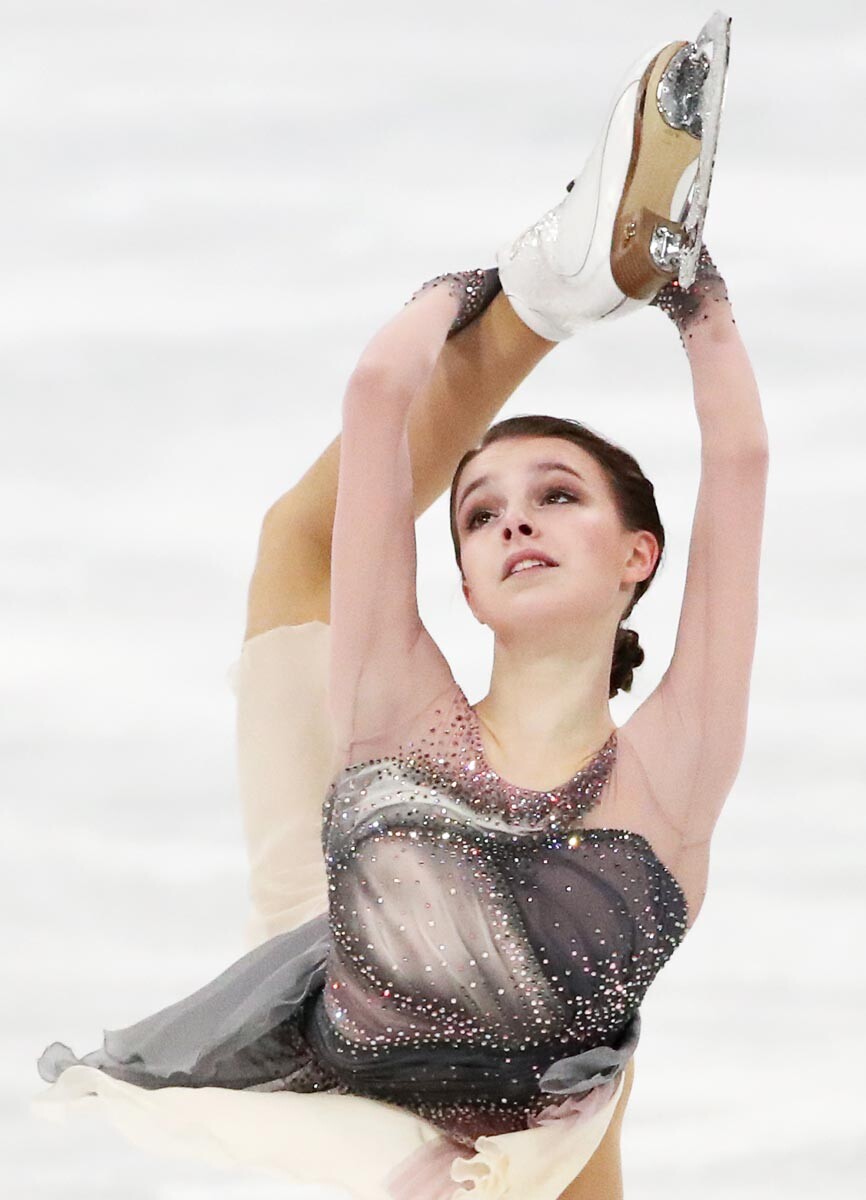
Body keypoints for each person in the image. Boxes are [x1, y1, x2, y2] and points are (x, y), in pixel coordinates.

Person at [33, 12, 768, 1200]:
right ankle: (551, 292)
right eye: (479, 516)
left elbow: (739, 468)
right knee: (305, 544)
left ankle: (553, 292)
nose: (514, 522)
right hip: (336, 973)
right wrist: (500, 286)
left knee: (573, 1051)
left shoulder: (670, 770)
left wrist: (696, 300)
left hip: (502, 1065)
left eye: (556, 497)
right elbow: (377, 396)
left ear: (639, 555)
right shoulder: (396, 712)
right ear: (463, 586)